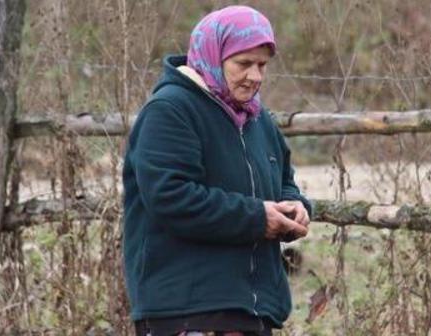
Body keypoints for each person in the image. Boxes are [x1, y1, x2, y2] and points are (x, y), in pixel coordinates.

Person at [122, 5, 312, 336]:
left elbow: (283, 181)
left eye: (262, 65)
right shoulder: (170, 111)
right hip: (187, 310)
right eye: (243, 64)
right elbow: (171, 197)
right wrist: (256, 218)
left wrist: (294, 208)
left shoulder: (257, 118)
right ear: (213, 55)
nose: (255, 76)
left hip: (249, 309)